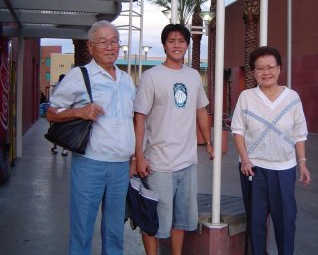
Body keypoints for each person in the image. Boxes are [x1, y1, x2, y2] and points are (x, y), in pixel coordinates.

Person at [47, 20, 136, 255]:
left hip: (120, 167)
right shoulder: (80, 75)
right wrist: (79, 111)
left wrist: (135, 158)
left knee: (115, 231)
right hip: (90, 164)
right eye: (103, 42)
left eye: (114, 41)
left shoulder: (126, 81)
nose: (110, 47)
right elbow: (51, 112)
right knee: (82, 229)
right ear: (91, 46)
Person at [134, 23, 214, 255]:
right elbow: (140, 117)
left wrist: (208, 142)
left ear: (187, 45)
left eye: (181, 41)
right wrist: (139, 156)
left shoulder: (193, 76)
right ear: (164, 45)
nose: (176, 45)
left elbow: (201, 110)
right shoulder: (151, 77)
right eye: (171, 41)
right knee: (154, 218)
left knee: (182, 219)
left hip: (187, 161)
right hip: (158, 163)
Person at [231, 46, 311, 255]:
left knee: (286, 220)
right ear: (253, 72)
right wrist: (245, 160)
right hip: (253, 170)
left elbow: (299, 134)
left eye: (270, 67)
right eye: (260, 69)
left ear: (279, 68)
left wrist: (302, 163)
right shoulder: (246, 97)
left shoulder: (292, 97)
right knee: (256, 222)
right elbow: (238, 132)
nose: (266, 72)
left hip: (284, 169)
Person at [50, 74, 68, 156]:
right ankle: (64, 150)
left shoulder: (54, 87)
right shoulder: (67, 87)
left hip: (54, 111)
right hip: (64, 111)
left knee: (54, 130)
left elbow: (51, 99)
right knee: (65, 131)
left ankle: (55, 147)